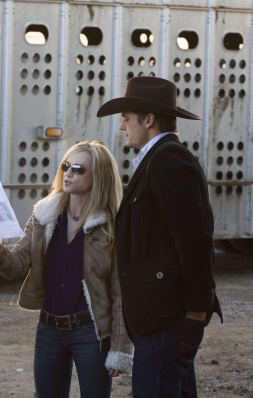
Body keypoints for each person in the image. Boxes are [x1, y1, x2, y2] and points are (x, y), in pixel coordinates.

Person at [0, 141, 133, 398]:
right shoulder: (44, 216)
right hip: (48, 329)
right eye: (66, 166)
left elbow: (120, 291)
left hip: (90, 332)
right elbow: (15, 267)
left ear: (99, 176)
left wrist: (120, 347)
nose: (68, 173)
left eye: (78, 169)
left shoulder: (110, 226)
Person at [97, 76, 222, 398]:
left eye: (126, 118)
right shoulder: (158, 158)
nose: (122, 126)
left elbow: (194, 238)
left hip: (168, 317)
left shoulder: (168, 159)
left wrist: (196, 310)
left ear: (148, 120)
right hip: (160, 315)